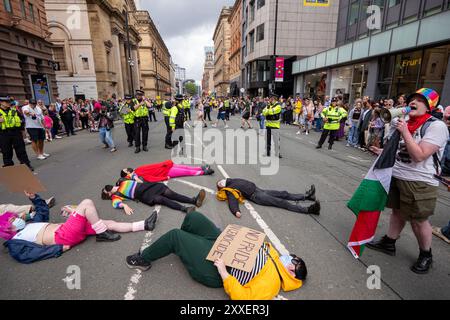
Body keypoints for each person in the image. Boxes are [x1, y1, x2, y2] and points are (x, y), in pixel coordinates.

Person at [125, 211, 307, 300]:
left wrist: (224, 273)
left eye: (293, 261)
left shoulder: (272, 284)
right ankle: (187, 247)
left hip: (217, 269)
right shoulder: (274, 257)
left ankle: (144, 259)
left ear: (292, 272)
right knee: (193, 217)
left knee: (175, 236)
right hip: (221, 247)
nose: (290, 258)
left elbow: (243, 298)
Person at [367, 88, 449, 274]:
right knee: (397, 212)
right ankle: (389, 242)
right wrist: (383, 152)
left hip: (420, 181)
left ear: (429, 106)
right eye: (412, 99)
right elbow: (401, 150)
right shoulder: (406, 123)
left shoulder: (436, 126)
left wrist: (404, 131)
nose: (414, 102)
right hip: (398, 174)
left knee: (418, 221)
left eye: (420, 100)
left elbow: (420, 155)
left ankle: (426, 254)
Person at [1, 192, 158, 264]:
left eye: (15, 217)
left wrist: (34, 197)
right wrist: (59, 249)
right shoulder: (15, 241)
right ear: (7, 228)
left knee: (107, 222)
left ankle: (144, 224)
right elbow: (27, 255)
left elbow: (42, 210)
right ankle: (102, 234)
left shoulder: (29, 225)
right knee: (86, 203)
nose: (18, 218)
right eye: (13, 220)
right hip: (63, 235)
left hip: (67, 230)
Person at [216, 178, 320, 217]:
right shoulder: (229, 189)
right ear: (221, 187)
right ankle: (308, 210)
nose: (220, 181)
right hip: (257, 196)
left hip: (259, 190)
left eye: (220, 180)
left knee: (283, 194)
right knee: (281, 202)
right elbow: (232, 201)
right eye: (219, 183)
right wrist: (236, 212)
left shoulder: (231, 180)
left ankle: (307, 196)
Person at [101, 180, 206, 215]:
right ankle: (185, 209)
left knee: (170, 194)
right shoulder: (116, 195)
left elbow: (133, 174)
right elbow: (115, 203)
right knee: (162, 200)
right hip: (143, 195)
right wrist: (124, 205)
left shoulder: (121, 181)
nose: (106, 189)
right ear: (109, 194)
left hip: (147, 186)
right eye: (105, 192)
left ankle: (194, 201)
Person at [0, 97, 33, 170]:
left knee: (21, 150)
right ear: (1, 103)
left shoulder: (14, 110)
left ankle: (26, 165)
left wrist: (21, 125)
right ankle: (9, 167)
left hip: (16, 132)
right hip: (3, 134)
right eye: (7, 102)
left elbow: (22, 119)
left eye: (9, 101)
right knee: (6, 151)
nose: (9, 103)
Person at [119, 161, 214, 184]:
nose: (127, 168)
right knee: (186, 172)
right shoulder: (137, 175)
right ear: (127, 174)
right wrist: (164, 178)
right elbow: (150, 179)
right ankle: (204, 172)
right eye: (126, 170)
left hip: (165, 166)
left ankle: (201, 168)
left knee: (185, 167)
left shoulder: (137, 170)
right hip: (165, 172)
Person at [263, 94, 282, 158]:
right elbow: (263, 112)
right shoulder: (269, 105)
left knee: (276, 140)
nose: (269, 100)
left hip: (275, 126)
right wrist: (267, 110)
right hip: (268, 125)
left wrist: (267, 111)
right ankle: (268, 152)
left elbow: (271, 112)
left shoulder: (278, 106)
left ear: (274, 99)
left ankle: (278, 153)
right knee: (267, 140)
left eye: (270, 99)